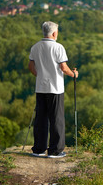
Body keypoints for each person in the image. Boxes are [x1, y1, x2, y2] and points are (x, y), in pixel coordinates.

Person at [28, 21, 78, 158]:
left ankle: (38, 149)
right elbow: (63, 68)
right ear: (54, 33)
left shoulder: (35, 47)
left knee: (41, 118)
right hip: (55, 88)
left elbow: (31, 67)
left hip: (40, 87)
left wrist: (40, 75)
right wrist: (74, 74)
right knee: (56, 119)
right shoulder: (58, 47)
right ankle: (55, 151)